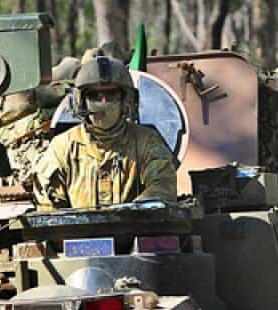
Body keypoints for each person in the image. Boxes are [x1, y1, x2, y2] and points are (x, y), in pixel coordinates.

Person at [32, 54, 177, 210]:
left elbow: (162, 188)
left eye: (110, 95)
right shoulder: (62, 147)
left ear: (125, 100)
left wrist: (132, 212)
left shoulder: (146, 142)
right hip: (76, 234)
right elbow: (47, 207)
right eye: (95, 95)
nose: (103, 103)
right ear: (80, 102)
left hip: (134, 231)